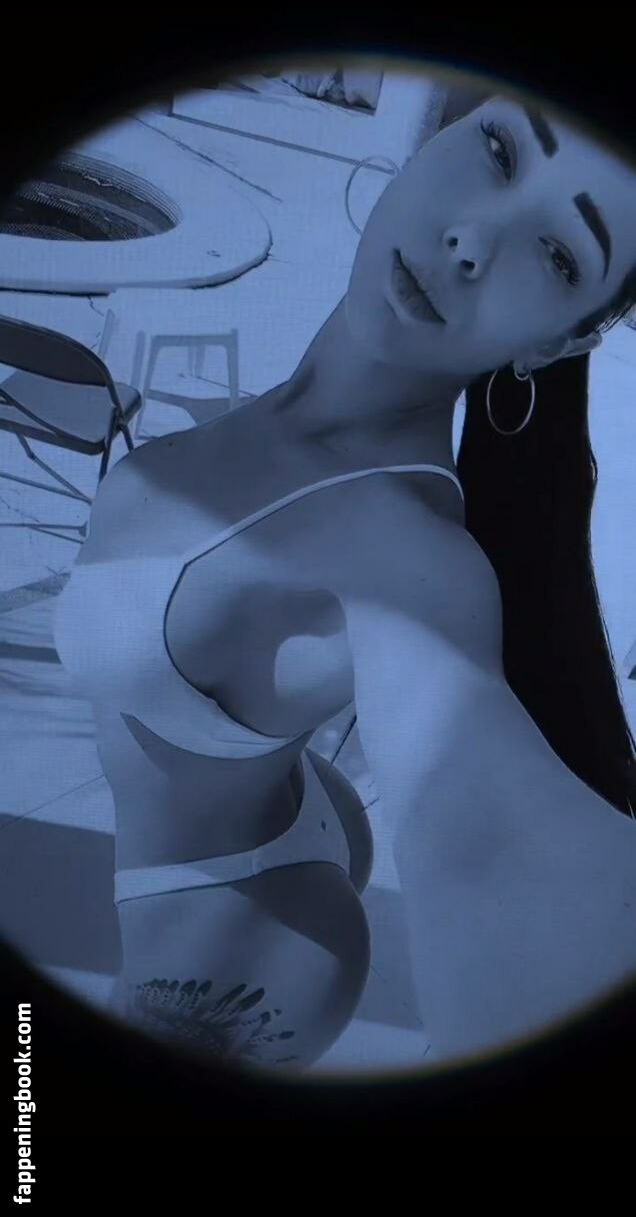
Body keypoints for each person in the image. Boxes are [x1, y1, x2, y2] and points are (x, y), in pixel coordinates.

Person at [54, 91, 636, 1068]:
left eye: (558, 252)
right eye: (499, 148)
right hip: (284, 813)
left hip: (222, 934)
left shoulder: (407, 552)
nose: (472, 240)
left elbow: (487, 833)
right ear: (430, 135)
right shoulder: (297, 419)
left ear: (559, 342)